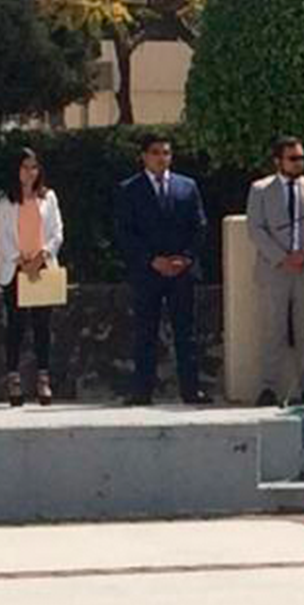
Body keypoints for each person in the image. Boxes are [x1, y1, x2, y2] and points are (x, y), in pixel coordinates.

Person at [114, 133, 209, 406]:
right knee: (145, 330)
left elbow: (199, 226)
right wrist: (151, 260)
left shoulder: (187, 187)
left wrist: (186, 258)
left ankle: (191, 390)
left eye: (166, 153)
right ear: (144, 156)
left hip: (182, 271)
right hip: (148, 272)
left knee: (186, 333)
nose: (161, 158)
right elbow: (125, 232)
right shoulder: (129, 189)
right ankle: (142, 391)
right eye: (155, 152)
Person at [244, 135, 304, 407]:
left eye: (302, 158)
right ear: (278, 161)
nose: (299, 163)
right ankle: (269, 388)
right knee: (274, 330)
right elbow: (255, 228)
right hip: (275, 270)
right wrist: (282, 257)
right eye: (293, 158)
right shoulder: (260, 190)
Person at [0, 146, 65, 406]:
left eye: (34, 167)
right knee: (16, 325)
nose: (30, 173)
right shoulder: (4, 199)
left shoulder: (49, 197)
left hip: (42, 267)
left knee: (42, 325)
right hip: (15, 269)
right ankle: (13, 379)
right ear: (16, 170)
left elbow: (57, 231)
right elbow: (0, 236)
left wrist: (42, 256)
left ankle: (43, 379)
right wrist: (20, 260)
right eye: (25, 167)